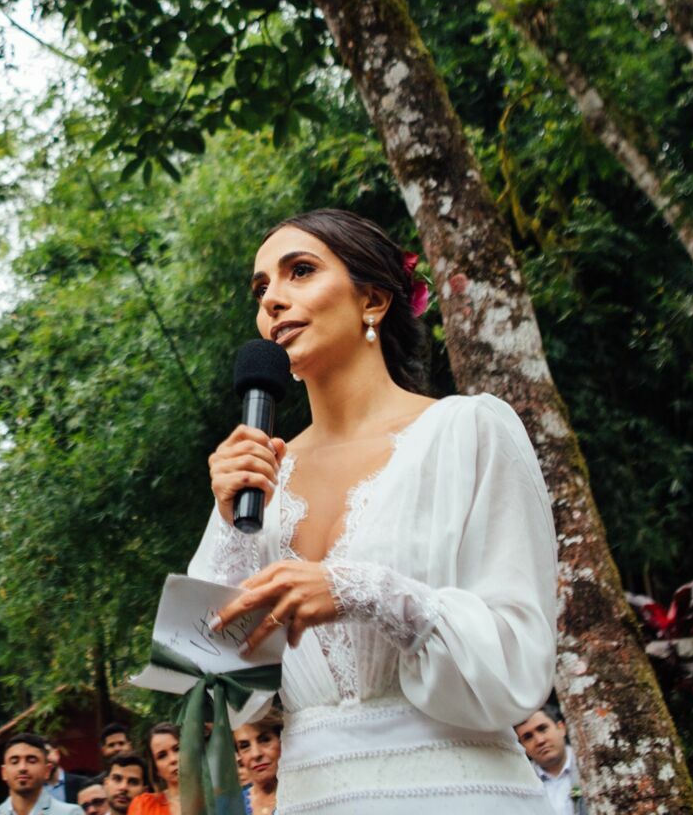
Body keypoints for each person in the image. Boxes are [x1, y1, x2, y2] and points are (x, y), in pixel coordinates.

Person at [193, 209, 558, 811]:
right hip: (314, 795)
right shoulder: (258, 472)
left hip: (462, 791)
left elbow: (518, 659)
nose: (273, 301)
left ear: (374, 300)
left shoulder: (469, 431)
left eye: (300, 272)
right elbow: (212, 690)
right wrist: (231, 527)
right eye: (261, 289)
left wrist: (364, 591)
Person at [516, 702, 585, 815]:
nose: (539, 741)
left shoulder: (588, 764)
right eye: (528, 737)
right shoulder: (521, 786)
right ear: (523, 747)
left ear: (561, 728)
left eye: (542, 729)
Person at [0, 734, 80, 815]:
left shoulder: (71, 813)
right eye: (14, 761)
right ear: (4, 772)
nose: (22, 768)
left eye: (31, 761)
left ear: (47, 770)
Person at [233, 708, 283, 815]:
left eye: (265, 740)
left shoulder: (307, 797)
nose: (256, 754)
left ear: (281, 740)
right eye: (245, 746)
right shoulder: (231, 807)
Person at [125, 724, 181, 815]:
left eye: (177, 749)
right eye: (162, 756)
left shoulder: (211, 797)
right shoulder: (144, 805)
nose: (173, 759)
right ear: (156, 770)